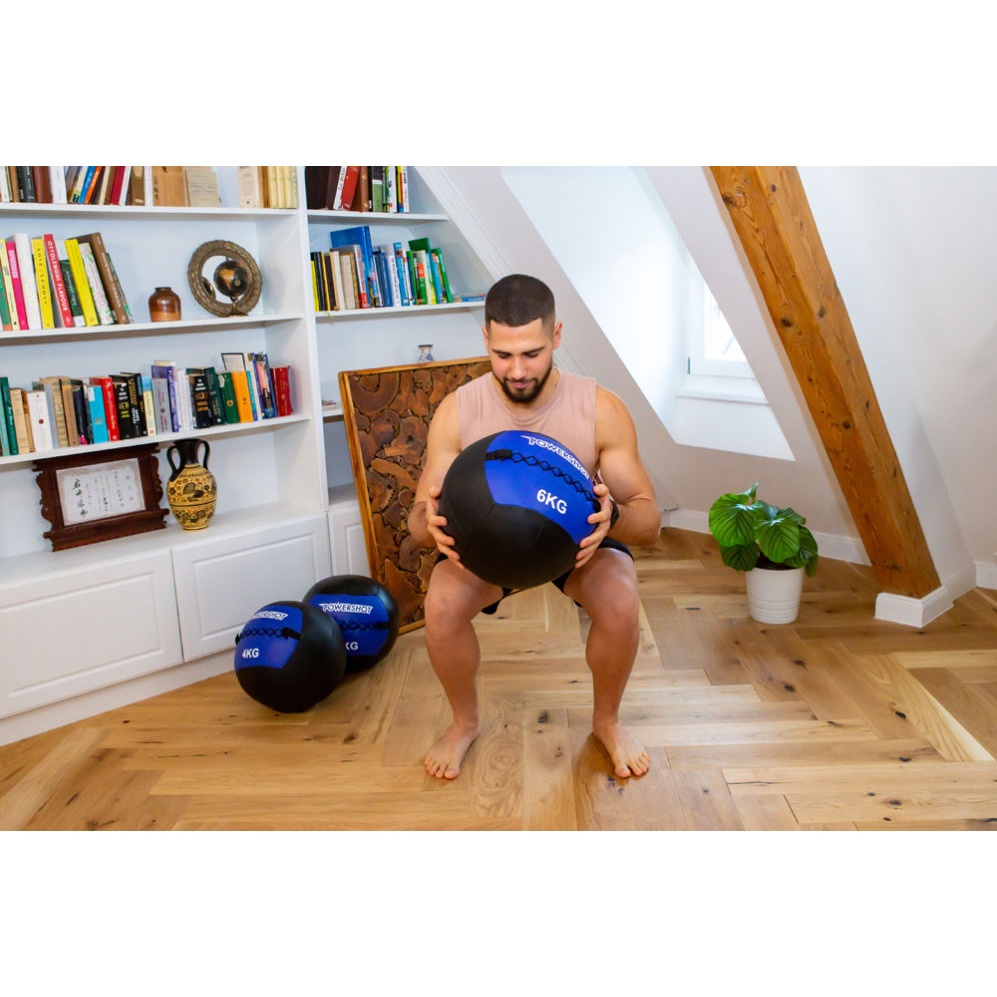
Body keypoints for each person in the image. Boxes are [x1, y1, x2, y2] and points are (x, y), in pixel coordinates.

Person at [408, 274, 661, 781]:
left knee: (620, 601)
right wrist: (429, 523)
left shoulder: (600, 408)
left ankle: (607, 722)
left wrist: (613, 517)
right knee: (441, 606)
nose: (517, 370)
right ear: (485, 338)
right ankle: (464, 723)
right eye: (502, 354)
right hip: (488, 542)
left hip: (574, 540)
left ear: (557, 336)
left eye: (532, 353)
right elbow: (416, 522)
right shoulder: (457, 411)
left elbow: (650, 521)